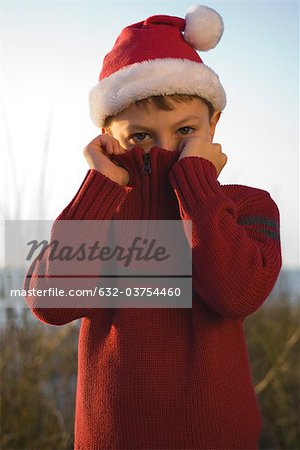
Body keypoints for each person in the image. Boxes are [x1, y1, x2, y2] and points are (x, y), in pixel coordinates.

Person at [24, 5, 282, 449]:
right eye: (141, 136)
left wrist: (196, 186)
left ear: (213, 123)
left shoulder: (245, 206)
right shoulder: (100, 212)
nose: (165, 150)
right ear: (107, 136)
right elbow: (51, 303)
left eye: (185, 131)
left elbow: (237, 293)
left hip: (220, 438)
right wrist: (99, 187)